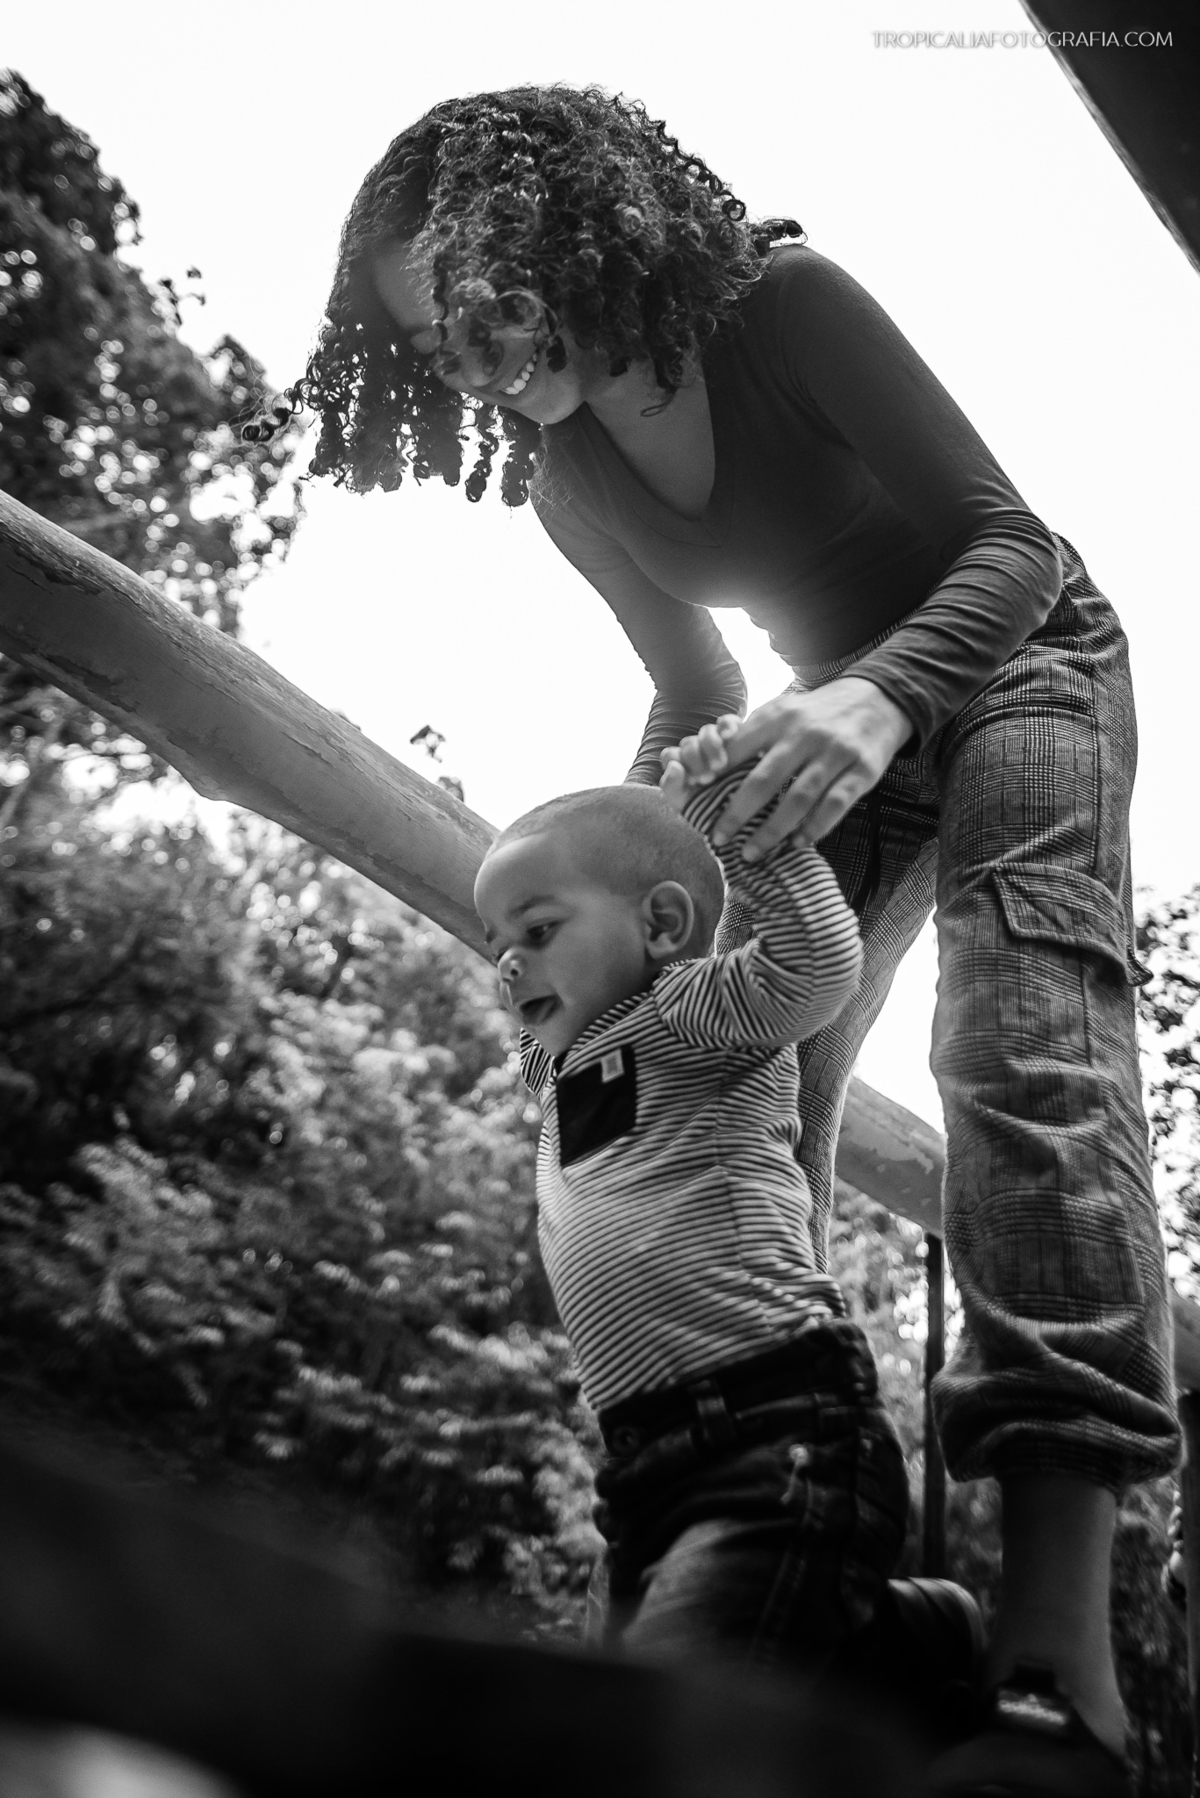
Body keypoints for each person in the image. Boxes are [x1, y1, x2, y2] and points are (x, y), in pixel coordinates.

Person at [270, 85, 1179, 1795]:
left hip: (1019, 660)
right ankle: (824, 1585)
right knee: (755, 1077)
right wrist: (608, 914)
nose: (474, 355)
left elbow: (1012, 543)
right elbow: (693, 681)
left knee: (1020, 1033)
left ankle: (1061, 1655)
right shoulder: (567, 478)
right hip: (821, 720)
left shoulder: (786, 305)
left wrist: (881, 697)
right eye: (432, 344)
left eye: (476, 290)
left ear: (566, 220)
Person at [473, 767, 979, 1733]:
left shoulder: (697, 1013)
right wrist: (674, 737)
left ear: (663, 925)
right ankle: (904, 1646)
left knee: (665, 1723)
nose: (505, 963)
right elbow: (624, 827)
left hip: (777, 1425)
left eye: (536, 932)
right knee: (643, 1698)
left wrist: (736, 824)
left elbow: (817, 966)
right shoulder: (559, 1061)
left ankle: (895, 1640)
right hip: (642, 1464)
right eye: (497, 943)